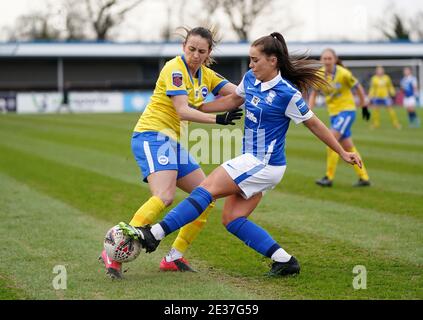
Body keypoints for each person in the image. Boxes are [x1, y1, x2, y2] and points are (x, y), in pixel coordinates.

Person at [118, 32, 363, 277]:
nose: (250, 64)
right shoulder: (250, 79)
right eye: (250, 59)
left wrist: (342, 151)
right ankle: (285, 261)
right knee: (232, 219)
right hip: (253, 161)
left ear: (273, 61)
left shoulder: (287, 94)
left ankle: (154, 234)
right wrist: (199, 107)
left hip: (264, 163)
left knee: (205, 189)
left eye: (255, 60)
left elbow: (315, 124)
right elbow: (233, 99)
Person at [99, 26, 242, 279]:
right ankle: (114, 251)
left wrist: (265, 85)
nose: (195, 55)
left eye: (201, 51)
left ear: (208, 53)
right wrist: (219, 120)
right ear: (183, 47)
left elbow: (238, 92)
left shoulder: (206, 75)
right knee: (164, 196)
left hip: (172, 142)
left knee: (206, 196)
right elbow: (182, 111)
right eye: (191, 49)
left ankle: (173, 257)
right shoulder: (174, 68)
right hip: (151, 135)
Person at [308, 48, 371, 188]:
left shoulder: (343, 73)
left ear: (335, 59)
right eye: (324, 58)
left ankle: (328, 177)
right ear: (321, 60)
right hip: (334, 114)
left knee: (331, 139)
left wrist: (364, 105)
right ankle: (364, 177)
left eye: (329, 58)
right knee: (348, 146)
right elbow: (313, 93)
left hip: (347, 111)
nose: (327, 61)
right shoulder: (320, 74)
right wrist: (309, 111)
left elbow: (358, 87)